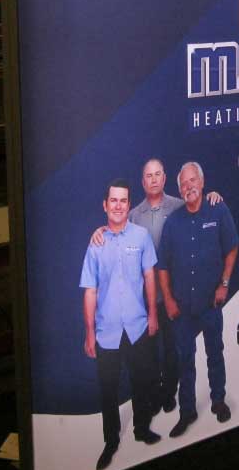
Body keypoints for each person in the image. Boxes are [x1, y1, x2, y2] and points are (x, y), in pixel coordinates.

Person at [90, 159, 222, 414]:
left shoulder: (179, 205)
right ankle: (151, 396)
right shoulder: (133, 214)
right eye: (148, 176)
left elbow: (199, 205)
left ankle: (169, 393)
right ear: (143, 182)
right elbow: (115, 228)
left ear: (164, 178)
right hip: (144, 299)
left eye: (157, 174)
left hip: (174, 295)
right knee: (148, 353)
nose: (153, 179)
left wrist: (213, 196)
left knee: (173, 349)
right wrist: (99, 230)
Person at [80, 179, 161, 470]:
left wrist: (153, 314)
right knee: (108, 390)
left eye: (123, 200)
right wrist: (90, 332)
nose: (118, 205)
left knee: (142, 380)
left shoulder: (141, 236)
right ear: (105, 205)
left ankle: (142, 429)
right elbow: (90, 291)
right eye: (113, 200)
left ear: (129, 204)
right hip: (107, 332)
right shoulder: (96, 244)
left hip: (137, 326)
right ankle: (111, 441)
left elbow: (149, 276)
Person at [158, 161, 239, 438]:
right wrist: (168, 300)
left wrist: (224, 284)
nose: (188, 186)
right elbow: (162, 266)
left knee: (215, 353)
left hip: (210, 304)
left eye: (192, 180)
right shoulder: (173, 222)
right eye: (183, 183)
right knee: (185, 361)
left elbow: (232, 247)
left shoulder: (218, 210)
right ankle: (187, 411)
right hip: (182, 309)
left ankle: (218, 400)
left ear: (202, 183)